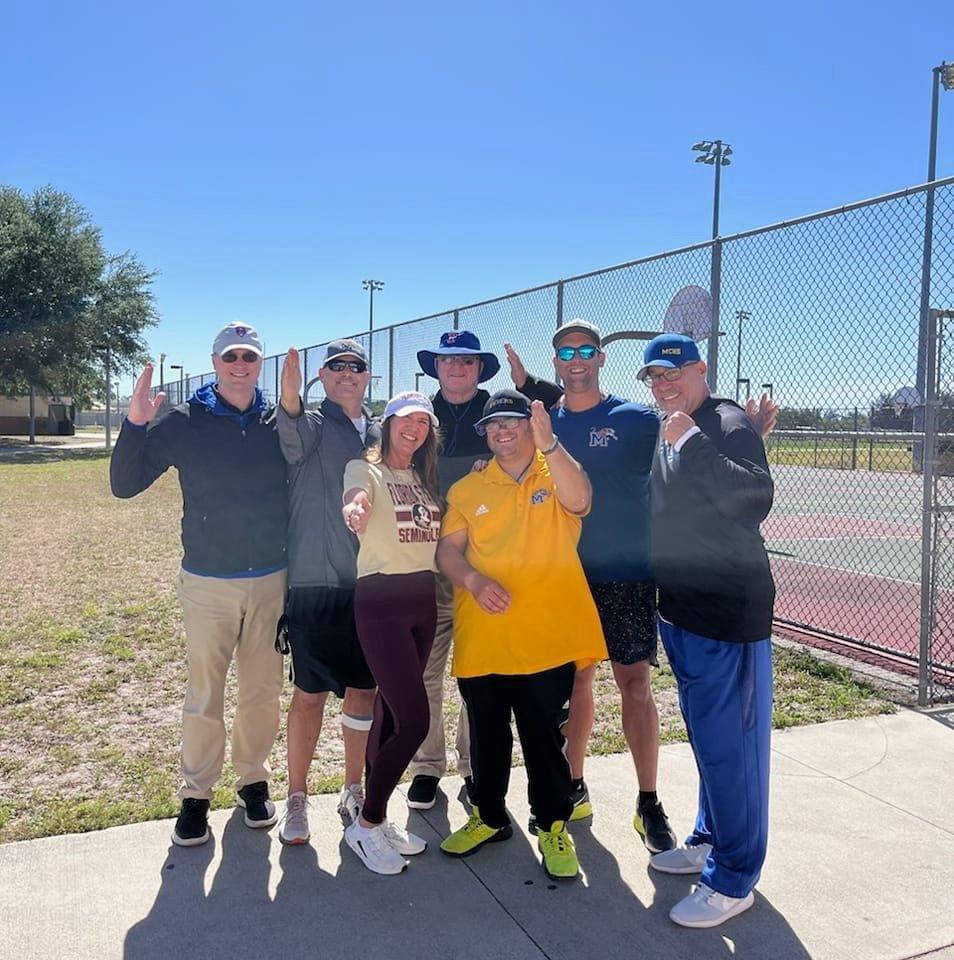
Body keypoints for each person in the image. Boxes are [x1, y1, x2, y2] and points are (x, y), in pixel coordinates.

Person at [509, 320, 777, 850]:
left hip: (629, 573)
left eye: (587, 349)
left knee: (634, 685)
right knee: (577, 685)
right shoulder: (545, 420)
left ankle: (648, 800)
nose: (578, 359)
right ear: (557, 361)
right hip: (568, 576)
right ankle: (574, 784)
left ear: (601, 358)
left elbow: (693, 444)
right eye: (567, 352)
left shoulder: (635, 417)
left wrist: (750, 432)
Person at [110, 322, 287, 847]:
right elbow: (124, 485)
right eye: (231, 356)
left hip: (271, 579)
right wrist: (136, 426)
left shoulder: (278, 420)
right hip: (208, 580)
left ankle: (253, 781)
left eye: (249, 357)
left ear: (260, 364)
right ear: (215, 362)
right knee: (205, 692)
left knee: (261, 690)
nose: (240, 364)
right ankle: (196, 794)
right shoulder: (184, 421)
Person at [436, 390, 607, 880]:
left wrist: (551, 444)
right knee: (487, 739)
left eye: (513, 422)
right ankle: (488, 817)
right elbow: (449, 553)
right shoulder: (469, 490)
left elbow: (583, 500)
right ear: (485, 435)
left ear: (531, 428)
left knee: (542, 738)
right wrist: (473, 579)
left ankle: (552, 824)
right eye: (493, 425)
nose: (503, 431)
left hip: (545, 637)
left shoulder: (555, 473)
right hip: (485, 636)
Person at [638, 333, 775, 929]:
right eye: (655, 379)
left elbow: (754, 498)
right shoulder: (678, 424)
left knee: (733, 749)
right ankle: (709, 836)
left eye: (674, 375)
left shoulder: (720, 421)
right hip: (682, 610)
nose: (664, 387)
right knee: (708, 743)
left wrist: (693, 440)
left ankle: (734, 876)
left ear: (701, 370)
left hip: (727, 614)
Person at [408, 331, 561, 811]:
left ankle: (474, 766)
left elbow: (558, 412)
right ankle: (426, 767)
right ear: (435, 367)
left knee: (479, 676)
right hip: (427, 568)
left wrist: (530, 382)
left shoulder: (496, 413)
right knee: (427, 673)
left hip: (487, 572)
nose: (457, 369)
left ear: (480, 369)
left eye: (467, 362)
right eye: (448, 361)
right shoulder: (417, 415)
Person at [275, 340, 380, 846]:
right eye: (336, 367)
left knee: (364, 691)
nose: (346, 374)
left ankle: (353, 788)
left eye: (355, 367)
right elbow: (289, 420)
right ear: (322, 375)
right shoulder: (313, 425)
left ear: (367, 376)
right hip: (316, 582)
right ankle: (296, 798)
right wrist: (290, 392)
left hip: (372, 584)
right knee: (309, 694)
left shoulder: (381, 432)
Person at [340, 391, 443, 875]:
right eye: (407, 419)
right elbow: (355, 496)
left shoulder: (422, 478)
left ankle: (375, 822)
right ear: (388, 422)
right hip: (381, 601)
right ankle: (367, 822)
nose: (415, 428)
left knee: (388, 712)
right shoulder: (366, 469)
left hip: (423, 601)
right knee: (414, 721)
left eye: (424, 422)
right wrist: (355, 508)